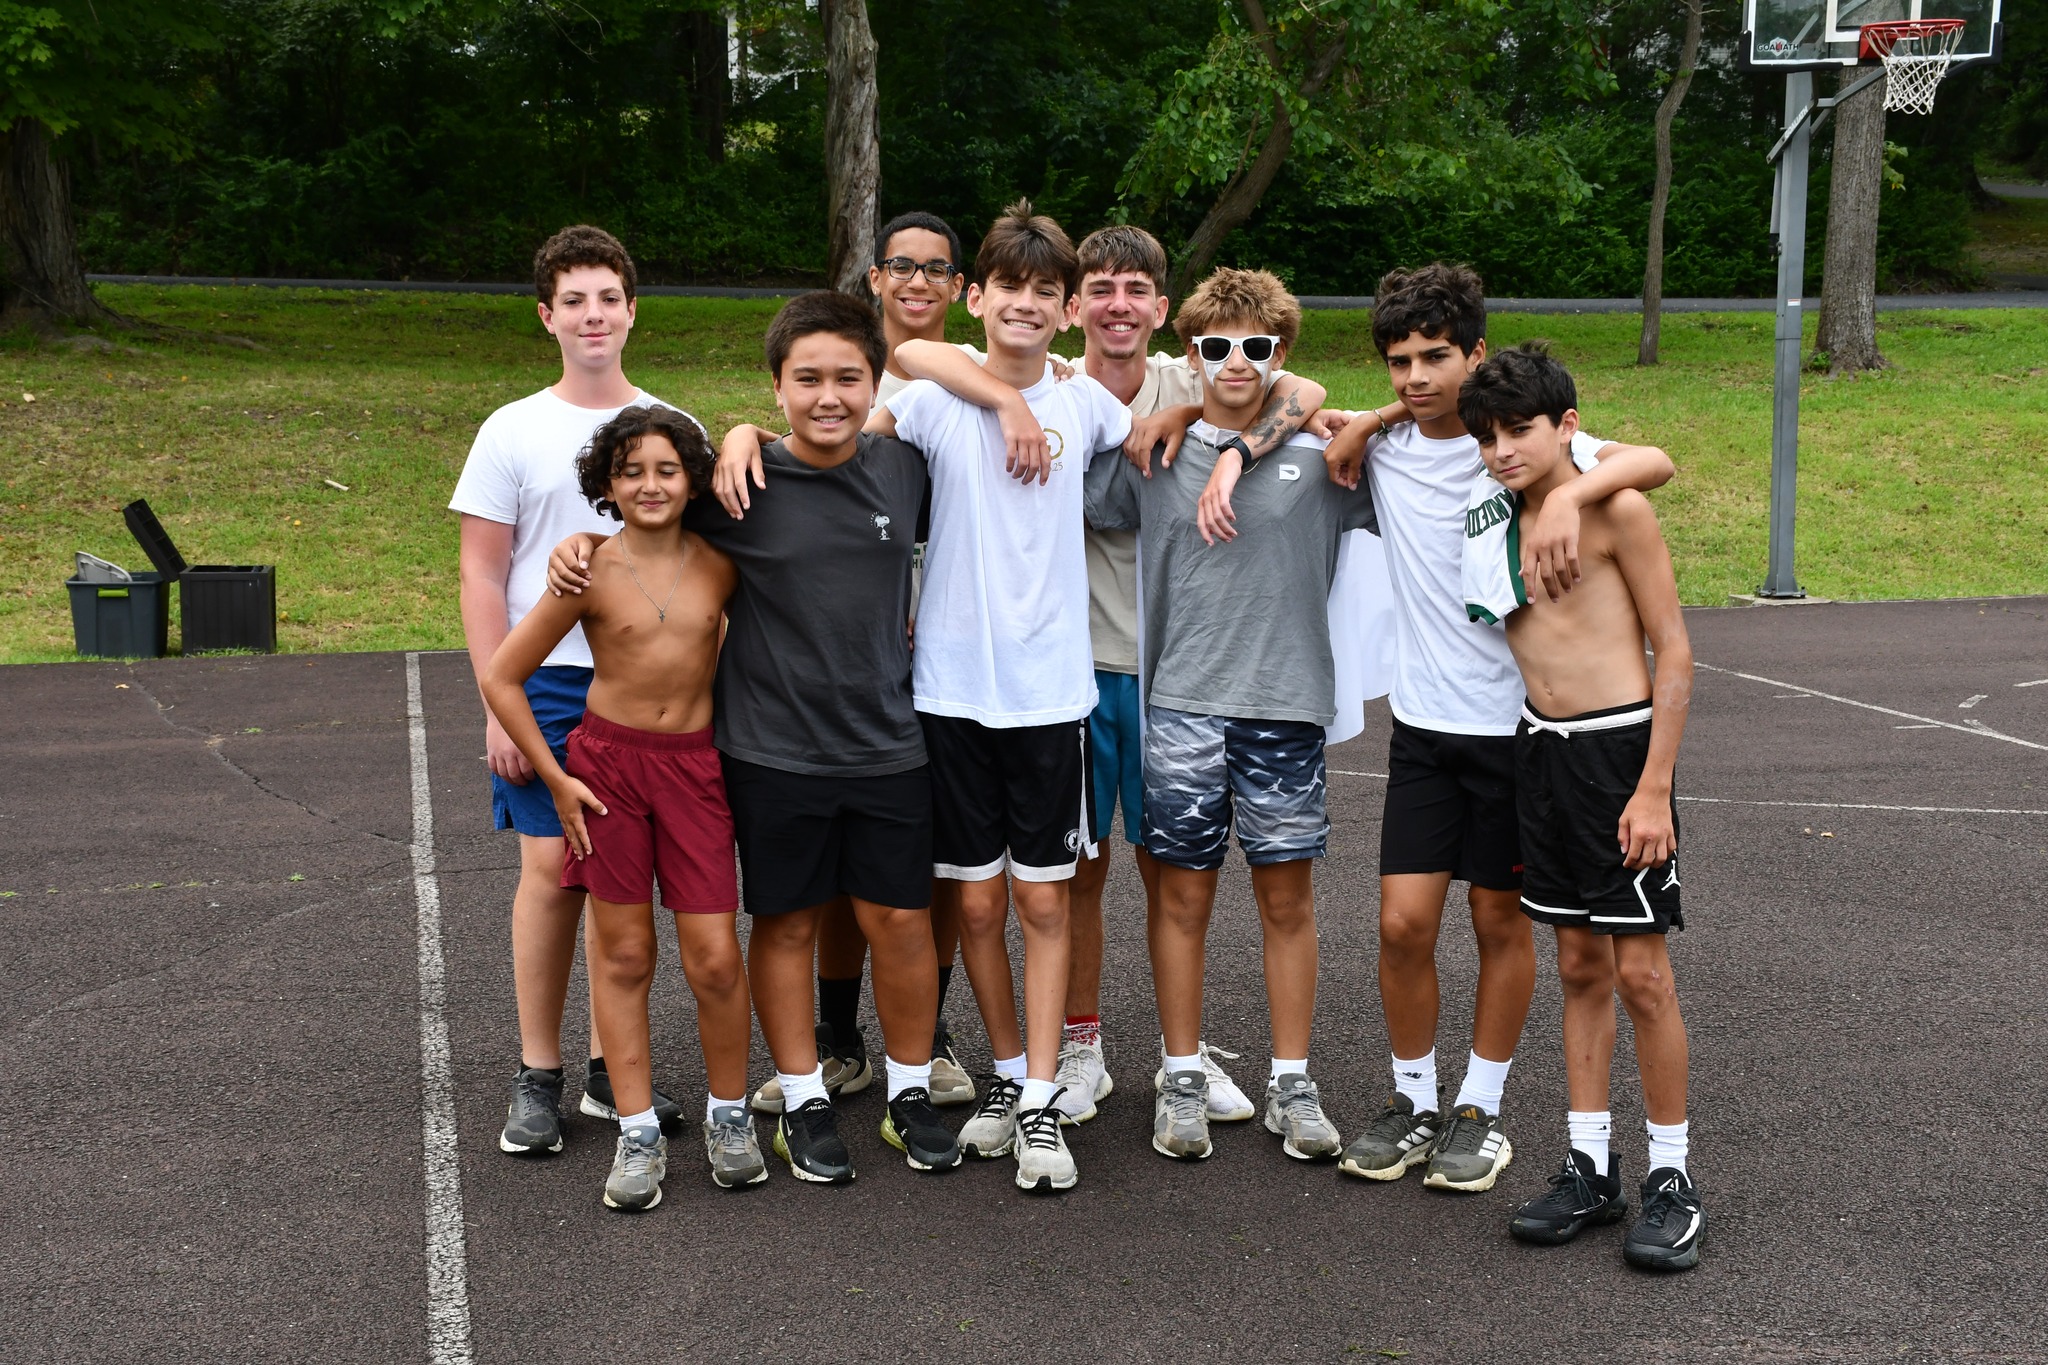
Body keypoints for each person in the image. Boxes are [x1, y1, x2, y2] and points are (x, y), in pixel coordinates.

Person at [1196, 262, 1672, 1193]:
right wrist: (1351, 423)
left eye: (1436, 357)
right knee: (1403, 923)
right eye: (1399, 361)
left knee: (1499, 921)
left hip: (1518, 734)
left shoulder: (1526, 447)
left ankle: (1479, 1110)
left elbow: (1651, 460)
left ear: (1476, 354)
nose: (1415, 376)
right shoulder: (1382, 448)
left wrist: (1569, 497)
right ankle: (1413, 1097)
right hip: (1423, 729)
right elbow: (1291, 393)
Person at [546, 292, 965, 1183]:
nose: (828, 395)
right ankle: (803, 1099)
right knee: (785, 923)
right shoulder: (739, 487)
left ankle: (908, 1092)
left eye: (847, 377)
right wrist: (578, 540)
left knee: (901, 920)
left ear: (875, 383)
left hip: (888, 741)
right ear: (776, 387)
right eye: (806, 378)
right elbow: (645, 521)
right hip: (773, 752)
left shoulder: (906, 469)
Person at [870, 200, 1133, 1193]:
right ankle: (1011, 1073)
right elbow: (900, 363)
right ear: (975, 296)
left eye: (1044, 291)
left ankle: (1041, 1103)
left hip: (1049, 696)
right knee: (976, 905)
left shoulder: (1088, 403)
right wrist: (1005, 404)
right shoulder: (934, 398)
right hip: (950, 691)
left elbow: (1170, 419)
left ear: (1066, 310)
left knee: (1042, 900)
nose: (1025, 303)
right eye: (1008, 286)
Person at [1083, 268, 1367, 1163]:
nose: (1235, 361)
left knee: (1287, 898)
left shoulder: (1326, 457)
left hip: (1285, 709)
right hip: (1180, 709)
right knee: (1181, 898)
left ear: (1282, 353)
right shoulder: (1155, 457)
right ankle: (1180, 1074)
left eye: (1255, 346)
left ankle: (1292, 1080)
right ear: (1192, 353)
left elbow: (1419, 429)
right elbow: (1060, 488)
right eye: (1215, 346)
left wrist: (1311, 418)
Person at [450, 225, 698, 1156]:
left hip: (643, 681)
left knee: (622, 879)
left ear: (632, 311)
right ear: (546, 316)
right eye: (574, 301)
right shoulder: (511, 428)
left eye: (608, 298)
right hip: (547, 682)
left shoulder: (670, 424)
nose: (593, 315)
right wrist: (494, 703)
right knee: (555, 870)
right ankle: (538, 1072)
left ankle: (609, 1070)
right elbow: (482, 574)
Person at [1457, 345, 1703, 1271]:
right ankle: (1590, 1166)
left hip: (1618, 754)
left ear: (1566, 427)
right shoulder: (1494, 511)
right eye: (1487, 437)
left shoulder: (1615, 507)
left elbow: (1674, 648)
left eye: (1519, 430)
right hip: (1540, 751)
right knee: (1577, 964)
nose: (1502, 450)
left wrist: (1654, 786)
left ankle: (1672, 1176)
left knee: (1642, 974)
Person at [479, 405, 754, 1213]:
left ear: (693, 480)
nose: (650, 484)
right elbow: (502, 674)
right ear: (606, 483)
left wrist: (745, 435)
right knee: (626, 953)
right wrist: (556, 778)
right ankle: (635, 1130)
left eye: (667, 469)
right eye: (631, 471)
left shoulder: (723, 563)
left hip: (695, 770)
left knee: (715, 957)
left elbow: (771, 450)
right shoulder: (587, 568)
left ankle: (730, 1115)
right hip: (607, 774)